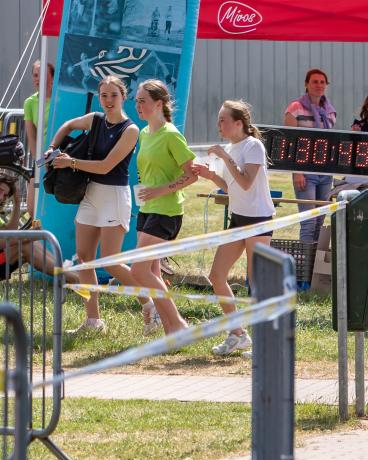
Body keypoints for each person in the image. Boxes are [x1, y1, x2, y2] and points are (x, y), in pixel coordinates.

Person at [46, 75, 141, 333]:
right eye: (104, 95)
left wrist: (70, 162)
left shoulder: (130, 129)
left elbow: (106, 166)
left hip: (115, 196)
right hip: (91, 194)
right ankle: (93, 321)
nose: (109, 100)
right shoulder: (95, 119)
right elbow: (68, 125)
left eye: (114, 95)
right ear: (99, 97)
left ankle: (151, 304)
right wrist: (53, 147)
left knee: (110, 261)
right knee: (85, 258)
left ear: (124, 97)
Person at [193, 100, 276, 357]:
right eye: (219, 120)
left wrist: (224, 156)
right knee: (217, 275)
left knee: (256, 281)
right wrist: (210, 176)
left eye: (223, 120)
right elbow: (232, 187)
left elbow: (246, 182)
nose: (219, 125)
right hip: (238, 218)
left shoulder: (253, 146)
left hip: (259, 219)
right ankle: (238, 333)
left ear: (238, 123)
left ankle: (266, 341)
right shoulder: (230, 148)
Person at [131, 79, 199, 336]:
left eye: (143, 101)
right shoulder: (144, 133)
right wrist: (147, 191)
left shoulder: (171, 135)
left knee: (139, 270)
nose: (138, 106)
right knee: (151, 272)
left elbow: (192, 175)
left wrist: (160, 190)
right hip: (147, 209)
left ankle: (179, 324)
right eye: (136, 101)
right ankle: (170, 328)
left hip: (167, 211)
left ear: (159, 104)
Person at [283, 68, 338, 248]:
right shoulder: (295, 108)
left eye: (322, 82)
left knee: (320, 220)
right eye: (315, 81)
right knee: (309, 221)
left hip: (325, 171)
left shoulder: (330, 112)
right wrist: (297, 171)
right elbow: (290, 142)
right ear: (306, 84)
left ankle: (314, 261)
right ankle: (305, 262)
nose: (319, 85)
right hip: (305, 171)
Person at [22, 60, 53, 221]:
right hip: (42, 160)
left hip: (60, 155)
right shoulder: (30, 102)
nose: (38, 79)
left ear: (52, 77)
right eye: (35, 75)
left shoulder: (60, 98)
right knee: (32, 208)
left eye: (42, 75)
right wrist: (40, 162)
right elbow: (32, 137)